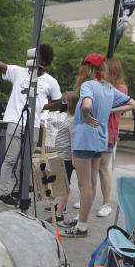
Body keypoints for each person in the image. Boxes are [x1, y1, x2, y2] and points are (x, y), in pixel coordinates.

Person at [0, 44, 61, 207]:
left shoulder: (50, 81)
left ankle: (19, 190)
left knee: (26, 161)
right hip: (15, 121)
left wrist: (40, 107)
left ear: (42, 59)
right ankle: (5, 193)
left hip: (33, 125)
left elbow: (58, 101)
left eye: (36, 54)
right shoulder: (18, 71)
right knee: (10, 158)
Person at [63, 54, 135, 237]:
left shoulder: (88, 85)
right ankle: (82, 218)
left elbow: (86, 105)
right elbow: (133, 104)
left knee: (84, 184)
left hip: (84, 139)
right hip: (100, 141)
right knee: (92, 182)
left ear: (86, 68)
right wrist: (109, 110)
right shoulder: (109, 88)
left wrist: (87, 116)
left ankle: (82, 226)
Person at [93, 58, 128, 218]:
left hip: (108, 133)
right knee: (92, 167)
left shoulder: (120, 88)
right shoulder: (103, 85)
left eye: (105, 68)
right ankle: (89, 197)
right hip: (96, 130)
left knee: (102, 168)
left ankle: (106, 203)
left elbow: (115, 107)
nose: (103, 71)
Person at [49, 91, 79, 223]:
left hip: (66, 157)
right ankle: (60, 207)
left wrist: (73, 157)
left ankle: (59, 213)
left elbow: (73, 140)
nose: (62, 103)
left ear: (70, 104)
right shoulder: (68, 118)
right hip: (61, 154)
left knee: (64, 185)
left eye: (65, 101)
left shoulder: (72, 120)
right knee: (60, 183)